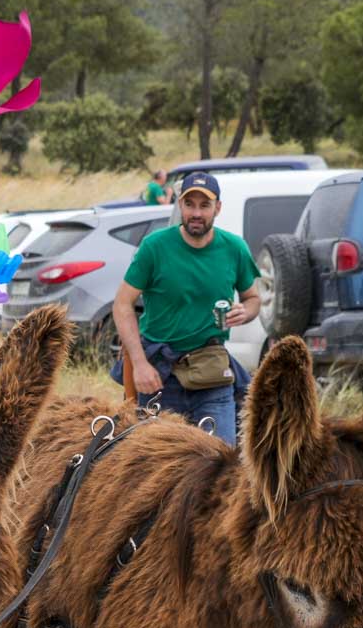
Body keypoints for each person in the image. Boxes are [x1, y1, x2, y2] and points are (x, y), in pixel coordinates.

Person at [110, 171, 261, 445]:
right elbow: (122, 304)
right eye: (189, 204)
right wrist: (140, 365)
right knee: (155, 465)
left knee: (219, 460)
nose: (196, 213)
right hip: (158, 376)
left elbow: (253, 298)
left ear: (218, 208)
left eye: (204, 205)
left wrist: (247, 311)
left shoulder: (234, 248)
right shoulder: (155, 247)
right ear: (180, 205)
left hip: (212, 373)